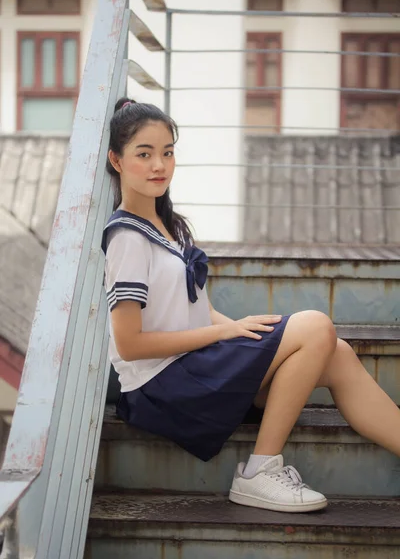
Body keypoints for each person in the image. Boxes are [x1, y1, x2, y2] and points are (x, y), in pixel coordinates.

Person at [102, 98, 400, 514]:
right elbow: (129, 344)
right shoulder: (127, 239)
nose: (159, 165)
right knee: (315, 326)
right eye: (144, 154)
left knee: (337, 354)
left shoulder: (164, 225)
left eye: (167, 152)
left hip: (193, 366)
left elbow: (195, 308)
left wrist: (234, 328)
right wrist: (223, 334)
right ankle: (259, 472)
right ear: (116, 160)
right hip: (164, 387)